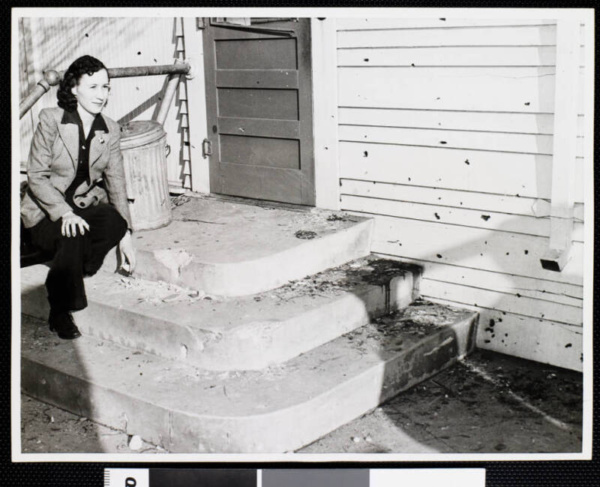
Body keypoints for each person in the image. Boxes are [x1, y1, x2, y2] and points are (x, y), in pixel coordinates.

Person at [21, 55, 136, 340]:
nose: (102, 95)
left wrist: (127, 236)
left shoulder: (109, 128)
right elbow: (37, 175)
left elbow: (116, 181)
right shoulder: (51, 120)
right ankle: (60, 310)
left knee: (114, 220)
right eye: (94, 87)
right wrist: (65, 212)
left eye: (106, 87)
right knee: (72, 232)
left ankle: (63, 260)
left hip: (81, 207)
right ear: (74, 87)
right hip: (45, 211)